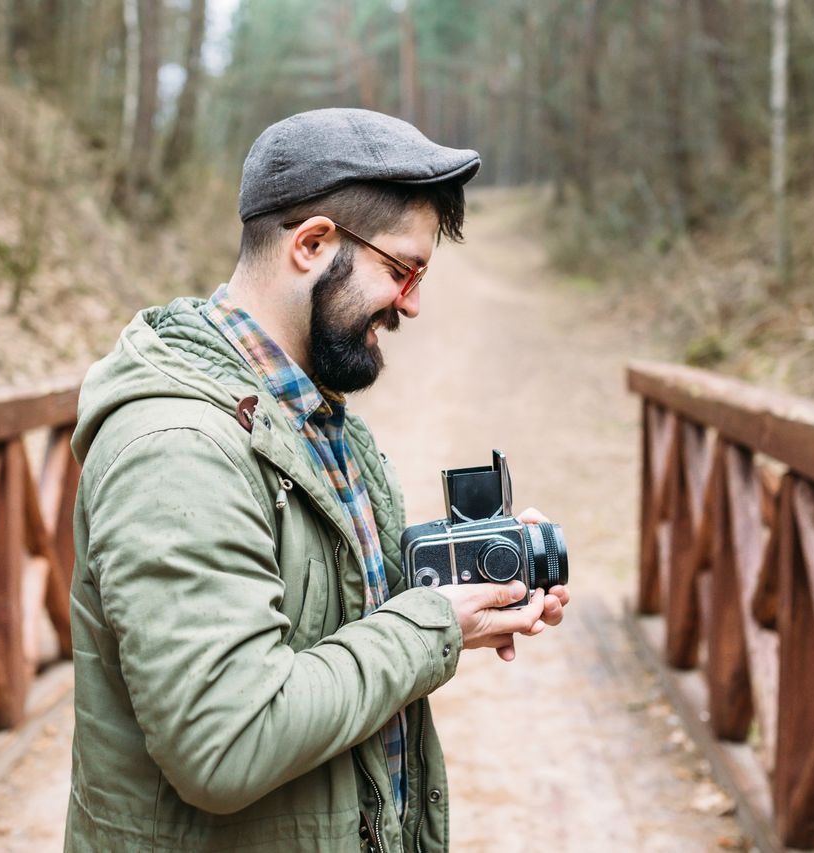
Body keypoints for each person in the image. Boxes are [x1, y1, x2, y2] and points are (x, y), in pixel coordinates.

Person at [64, 108, 570, 852]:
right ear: (312, 245)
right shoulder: (179, 448)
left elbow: (335, 626)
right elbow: (226, 742)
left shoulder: (312, 416)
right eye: (403, 270)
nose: (414, 303)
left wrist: (471, 589)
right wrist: (431, 624)